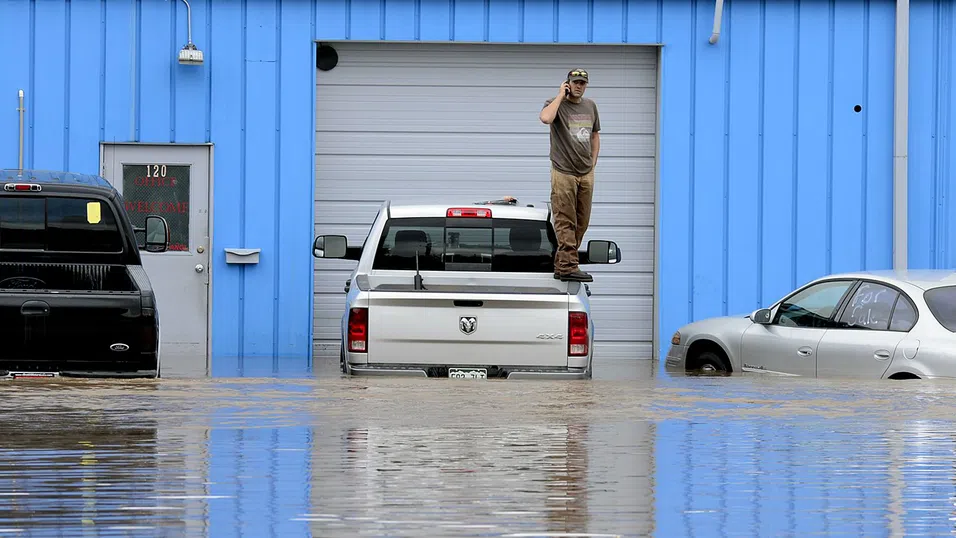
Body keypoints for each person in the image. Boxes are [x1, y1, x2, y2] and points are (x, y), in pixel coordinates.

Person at [539, 68, 600, 282]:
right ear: (567, 83)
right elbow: (545, 118)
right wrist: (559, 96)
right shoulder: (555, 103)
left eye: (582, 83)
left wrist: (592, 163)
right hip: (563, 170)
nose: (579, 86)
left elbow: (594, 136)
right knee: (565, 220)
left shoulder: (590, 106)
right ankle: (567, 266)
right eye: (575, 82)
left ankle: (565, 262)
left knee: (581, 221)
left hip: (585, 172)